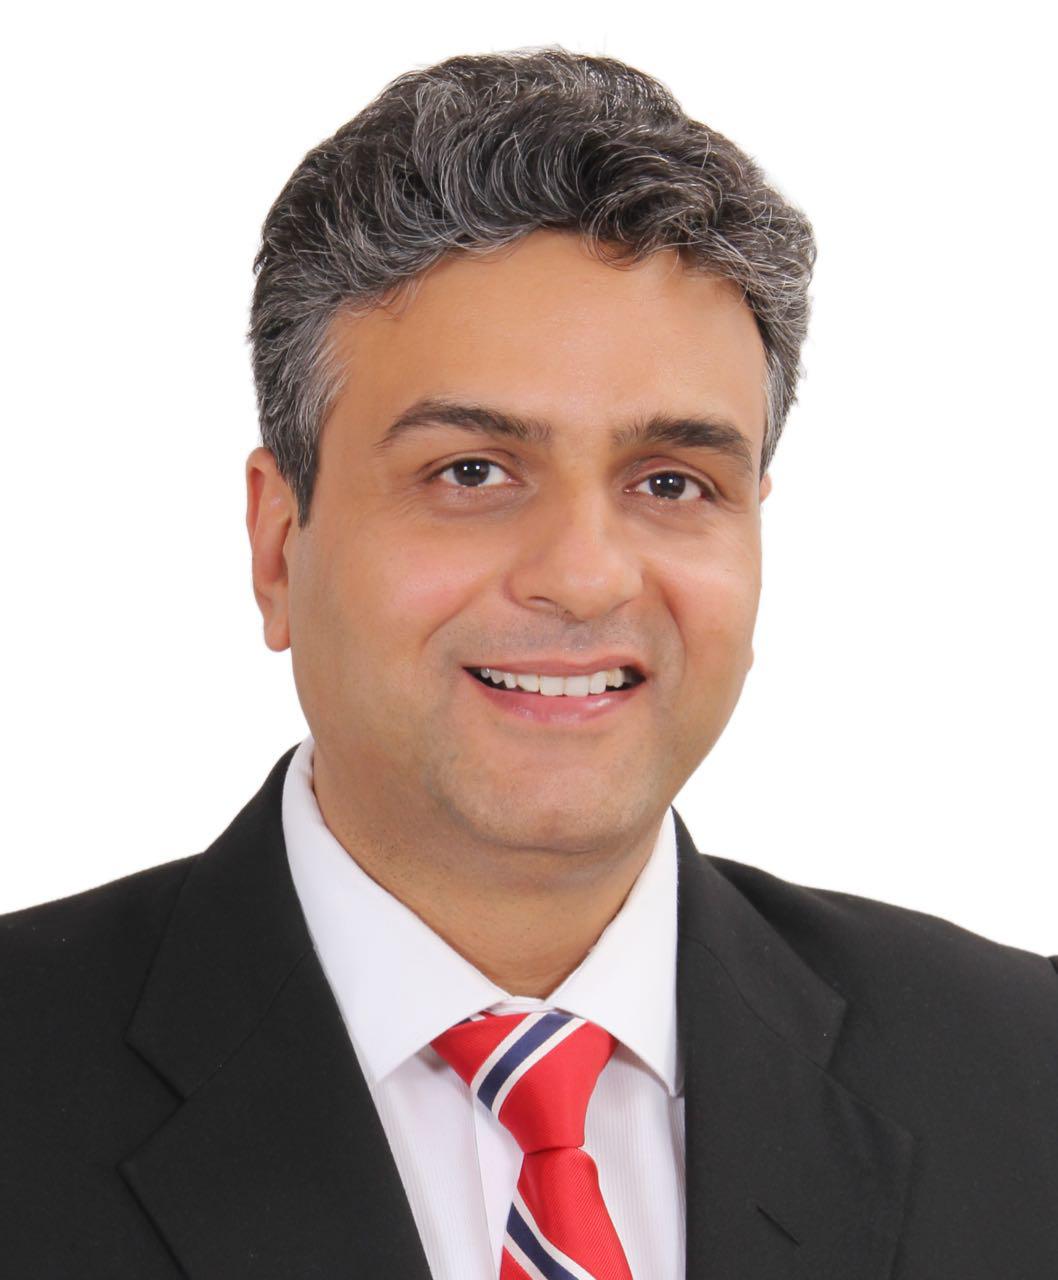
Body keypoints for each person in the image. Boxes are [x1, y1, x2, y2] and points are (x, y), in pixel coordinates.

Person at [2, 46, 1056, 1280]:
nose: (584, 575)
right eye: (471, 471)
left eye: (672, 482)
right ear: (279, 542)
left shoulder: (1022, 1074)